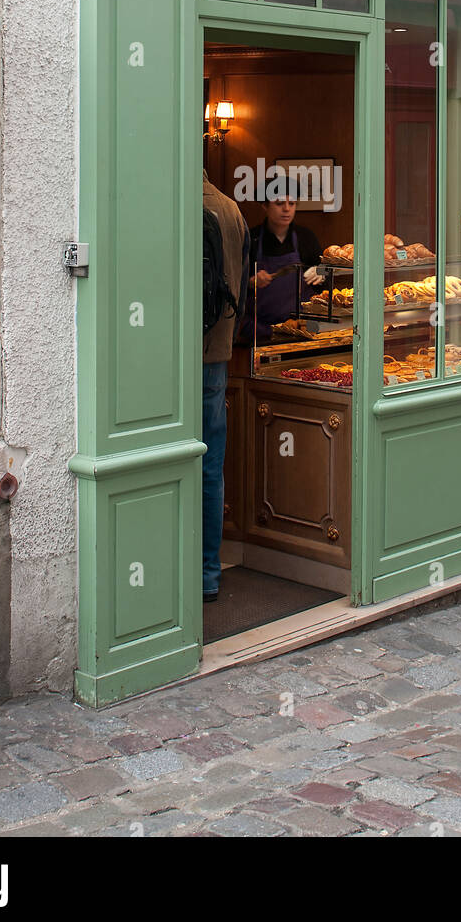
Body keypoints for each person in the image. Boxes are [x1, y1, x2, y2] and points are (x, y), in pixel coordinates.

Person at [202, 171, 249, 603]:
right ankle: (207, 575)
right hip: (218, 353)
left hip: (176, 356)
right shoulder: (230, 208)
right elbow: (243, 287)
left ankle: (169, 574)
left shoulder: (177, 206)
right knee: (210, 466)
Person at [247, 187, 325, 338]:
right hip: (262, 331)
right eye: (279, 203)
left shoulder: (306, 237)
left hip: (302, 329)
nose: (286, 209)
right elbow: (233, 283)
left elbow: (325, 272)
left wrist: (321, 273)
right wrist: (250, 282)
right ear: (265, 206)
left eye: (292, 203)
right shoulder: (251, 239)